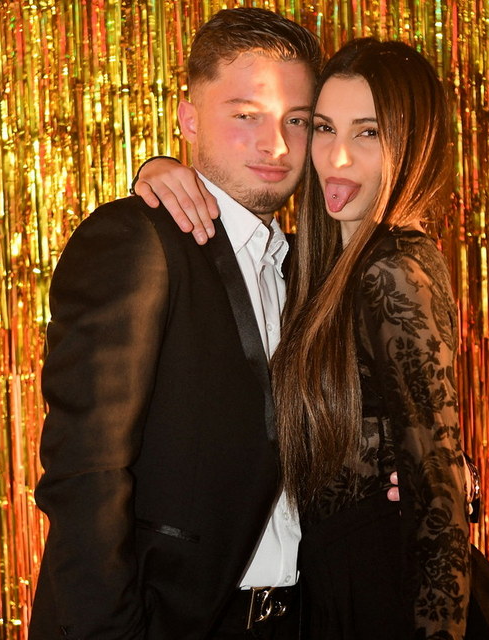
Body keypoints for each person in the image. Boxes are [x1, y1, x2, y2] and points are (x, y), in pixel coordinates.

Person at [137, 37, 489, 640]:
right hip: (327, 590)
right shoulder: (312, 265)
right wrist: (159, 169)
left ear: (412, 143)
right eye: (324, 127)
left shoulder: (396, 268)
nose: (337, 157)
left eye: (368, 133)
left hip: (391, 596)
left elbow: (439, 499)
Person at [29, 8, 323, 640]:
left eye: (296, 120)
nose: (276, 145)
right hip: (164, 621)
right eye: (246, 115)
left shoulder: (310, 269)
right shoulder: (136, 240)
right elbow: (86, 473)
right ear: (189, 120)